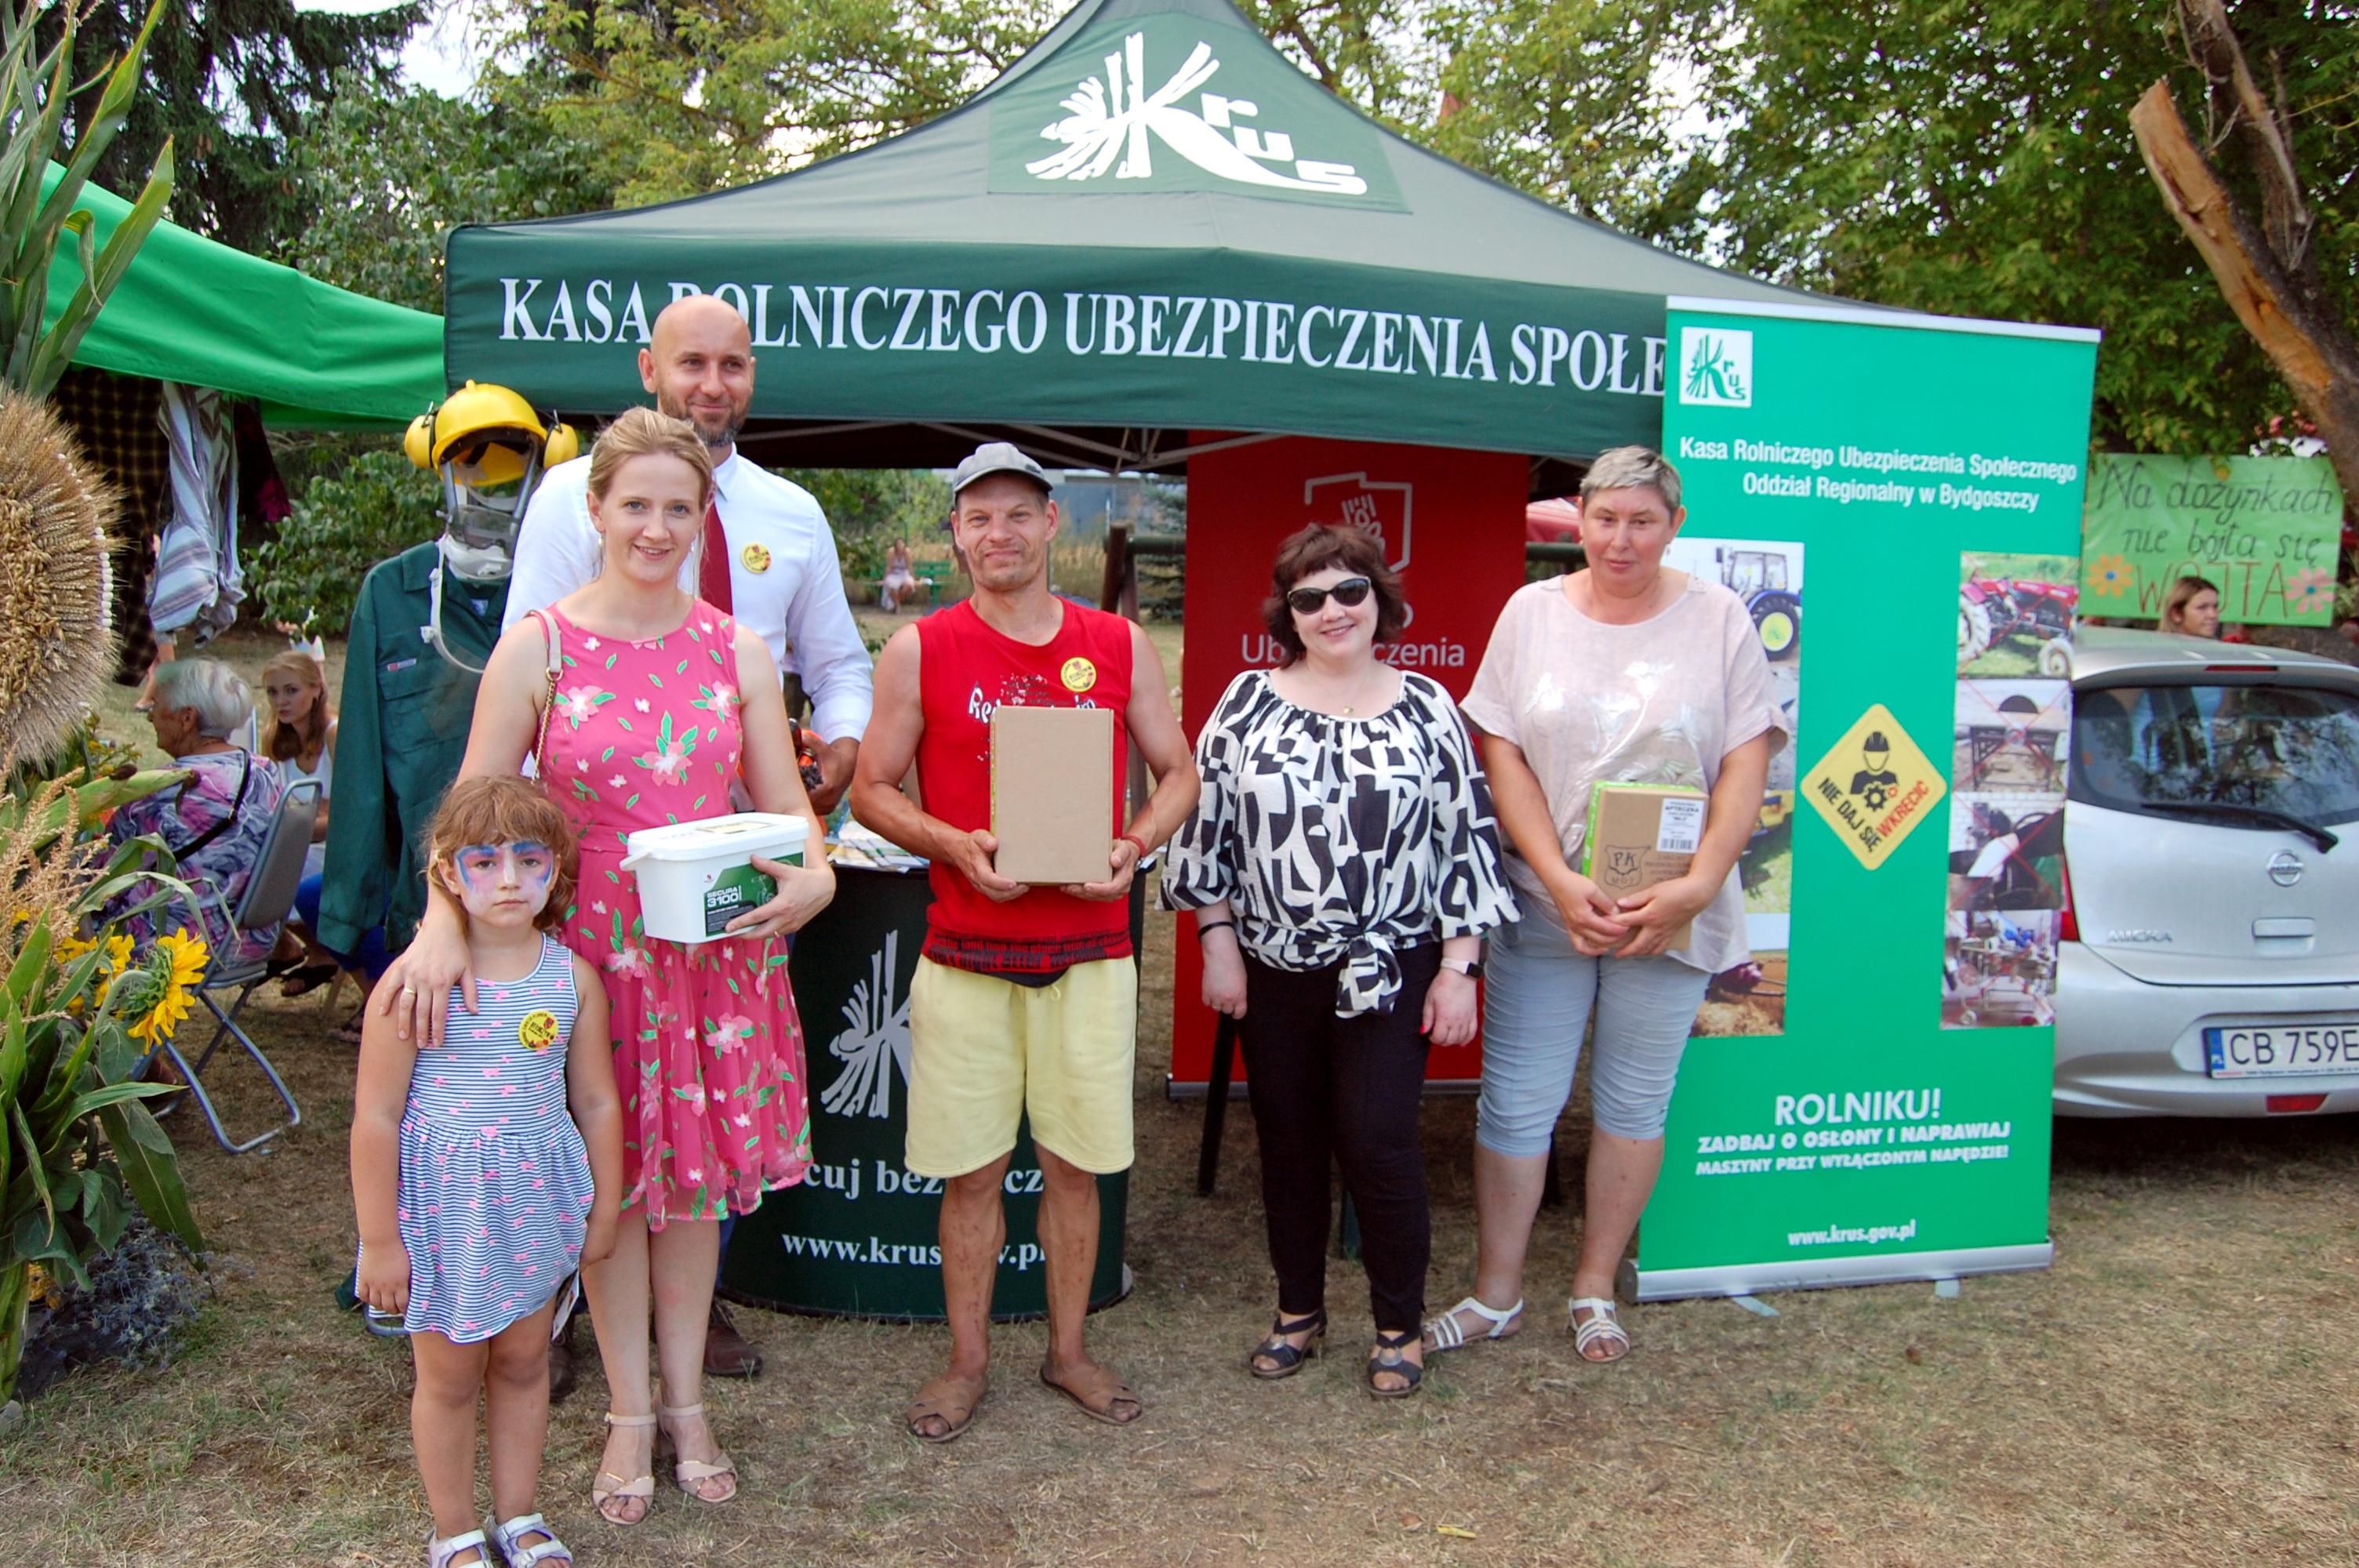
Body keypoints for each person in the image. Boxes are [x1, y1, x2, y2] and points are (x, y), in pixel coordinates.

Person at [382, 407, 837, 1523]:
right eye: (635, 503)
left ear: (704, 517)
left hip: (713, 962)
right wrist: (441, 924)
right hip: (592, 963)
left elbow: (788, 814)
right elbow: (471, 810)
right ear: (594, 510)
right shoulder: (538, 645)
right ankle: (628, 1410)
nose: (656, 527)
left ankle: (687, 1404)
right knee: (612, 1188)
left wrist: (814, 877)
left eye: (678, 507)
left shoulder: (735, 648)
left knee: (689, 1196)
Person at [503, 294, 872, 1375]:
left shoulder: (788, 519)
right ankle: (565, 1311)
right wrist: (510, 889)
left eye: (733, 364)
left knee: (698, 1120)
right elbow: (526, 709)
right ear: (648, 369)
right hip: (593, 883)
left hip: (724, 876)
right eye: (692, 362)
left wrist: (835, 768)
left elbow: (835, 666)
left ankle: (688, 1333)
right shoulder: (567, 507)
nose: (713, 383)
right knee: (595, 1119)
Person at [849, 441, 1198, 1443]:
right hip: (965, 950)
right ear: (956, 534)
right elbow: (870, 787)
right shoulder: (920, 648)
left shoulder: (1116, 643)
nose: (996, 533)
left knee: (1074, 1167)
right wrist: (952, 843)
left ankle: (1068, 1351)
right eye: (977, 517)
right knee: (971, 1173)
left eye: (1016, 513)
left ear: (1051, 522)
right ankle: (967, 1363)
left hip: (1089, 951)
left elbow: (1178, 772)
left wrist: (1133, 843)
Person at [1428, 446, 1781, 1367]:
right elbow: (1499, 749)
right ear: (1578, 519)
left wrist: (1696, 885)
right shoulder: (1530, 611)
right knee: (1516, 1102)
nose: (1620, 539)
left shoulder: (1719, 618)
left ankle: (1592, 1285)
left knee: (1632, 1101)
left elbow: (1746, 758)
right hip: (1546, 905)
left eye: (1641, 520)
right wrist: (1552, 874)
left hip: (1669, 915)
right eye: (1604, 518)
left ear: (1674, 524)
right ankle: (1495, 1291)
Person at [1161, 524, 1517, 1398]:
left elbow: (1465, 837)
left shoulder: (1429, 705)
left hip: (1394, 966)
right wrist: (1216, 942)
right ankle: (1298, 1312)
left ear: (1377, 600)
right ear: (1288, 614)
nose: (1332, 611)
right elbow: (1205, 830)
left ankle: (1398, 1325)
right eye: (1309, 597)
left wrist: (1458, 967)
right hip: (1271, 964)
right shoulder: (1245, 701)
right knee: (1287, 1144)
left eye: (1349, 590)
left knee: (1379, 1141)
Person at [351, 776, 623, 1568]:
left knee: (524, 1362)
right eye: (483, 861)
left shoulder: (571, 981)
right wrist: (379, 1241)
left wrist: (604, 1209)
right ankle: (454, 1531)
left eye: (529, 860)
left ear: (555, 868)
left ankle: (519, 1514)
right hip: (445, 1215)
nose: (508, 879)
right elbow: (375, 1117)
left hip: (535, 1207)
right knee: (447, 1377)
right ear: (447, 871)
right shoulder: (413, 983)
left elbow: (596, 1101)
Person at [109, 658, 288, 967]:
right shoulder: (264, 771)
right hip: (251, 937)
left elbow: (102, 875)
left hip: (176, 943)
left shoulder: (162, 790)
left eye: (156, 706)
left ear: (187, 718)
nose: (150, 716)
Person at [259, 648, 343, 996]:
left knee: (277, 865)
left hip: (335, 844)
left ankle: (323, 952)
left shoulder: (334, 733)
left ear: (315, 689)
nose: (281, 701)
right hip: (302, 838)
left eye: (291, 691)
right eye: (273, 692)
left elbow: (350, 810)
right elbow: (279, 804)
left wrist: (309, 820)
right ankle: (292, 946)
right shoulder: (277, 740)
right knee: (252, 860)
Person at [2160, 575, 2223, 639]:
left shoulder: (2220, 645)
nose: (2213, 615)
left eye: (2215, 607)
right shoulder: (2159, 644)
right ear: (2176, 614)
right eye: (2202, 607)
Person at [881, 538, 920, 612]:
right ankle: (897, 606)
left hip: (904, 573)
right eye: (898, 544)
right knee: (891, 585)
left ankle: (895, 602)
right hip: (893, 573)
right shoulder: (892, 552)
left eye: (902, 543)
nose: (900, 545)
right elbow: (889, 567)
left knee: (909, 586)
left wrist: (914, 579)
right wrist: (884, 579)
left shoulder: (907, 552)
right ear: (895, 545)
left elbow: (910, 567)